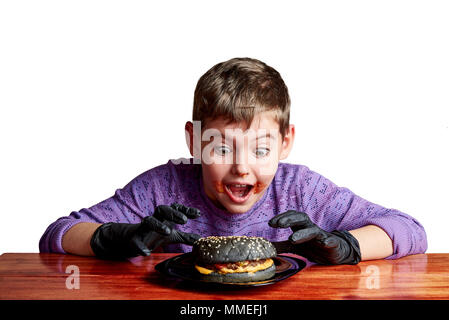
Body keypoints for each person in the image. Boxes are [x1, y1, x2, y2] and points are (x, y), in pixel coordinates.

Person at [39, 57, 427, 264]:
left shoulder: (302, 189)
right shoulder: (163, 187)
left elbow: (409, 230)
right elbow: (57, 234)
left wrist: (344, 246)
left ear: (285, 142)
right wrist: (115, 237)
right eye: (222, 147)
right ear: (194, 140)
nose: (242, 167)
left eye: (260, 150)